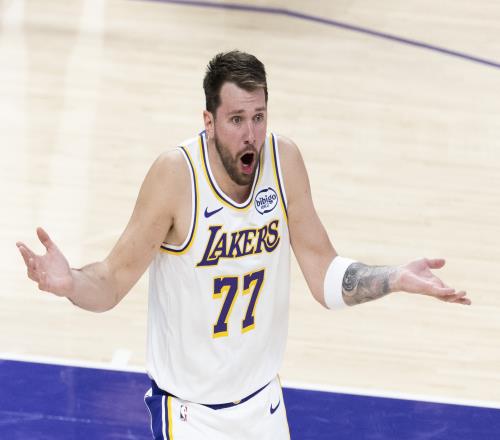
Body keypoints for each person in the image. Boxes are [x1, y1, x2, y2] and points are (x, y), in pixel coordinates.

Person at [16, 50, 471, 440]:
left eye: (259, 117)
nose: (250, 134)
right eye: (236, 120)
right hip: (191, 417)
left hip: (264, 409)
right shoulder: (176, 177)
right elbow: (112, 282)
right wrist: (70, 281)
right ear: (209, 121)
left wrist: (395, 278)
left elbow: (324, 274)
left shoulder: (283, 161)